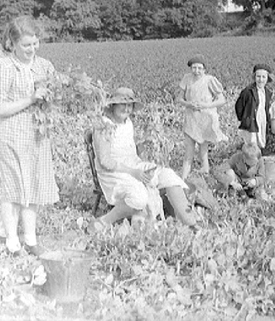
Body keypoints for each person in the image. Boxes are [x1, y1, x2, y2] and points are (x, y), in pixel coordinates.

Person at [0, 15, 59, 256]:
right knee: (13, 188)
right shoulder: (4, 66)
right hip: (10, 136)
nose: (32, 49)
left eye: (35, 43)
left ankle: (30, 240)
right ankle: (11, 241)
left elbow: (53, 96)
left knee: (34, 187)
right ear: (12, 43)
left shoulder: (44, 66)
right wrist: (31, 99)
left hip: (37, 136)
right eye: (26, 45)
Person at [91, 87, 198, 230]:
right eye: (123, 104)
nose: (126, 109)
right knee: (139, 198)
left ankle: (189, 222)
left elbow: (129, 151)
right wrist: (134, 172)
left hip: (134, 165)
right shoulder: (104, 125)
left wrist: (147, 146)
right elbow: (105, 161)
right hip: (113, 173)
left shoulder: (127, 122)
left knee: (168, 175)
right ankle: (106, 220)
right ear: (113, 105)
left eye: (129, 105)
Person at [177, 54, 227, 180]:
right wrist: (188, 103)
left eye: (199, 68)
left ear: (204, 69)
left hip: (205, 118)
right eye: (194, 68)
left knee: (203, 149)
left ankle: (205, 173)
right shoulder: (187, 78)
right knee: (189, 149)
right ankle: (183, 177)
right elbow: (179, 98)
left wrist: (206, 105)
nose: (196, 71)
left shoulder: (210, 80)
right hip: (191, 117)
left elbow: (222, 100)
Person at [235, 64, 274, 149]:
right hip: (251, 121)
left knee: (261, 142)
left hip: (262, 120)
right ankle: (249, 161)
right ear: (254, 77)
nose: (261, 80)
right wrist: (245, 119)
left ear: (267, 78)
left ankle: (259, 160)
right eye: (258, 76)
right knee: (251, 145)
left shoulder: (268, 92)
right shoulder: (248, 91)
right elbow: (239, 106)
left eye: (263, 77)